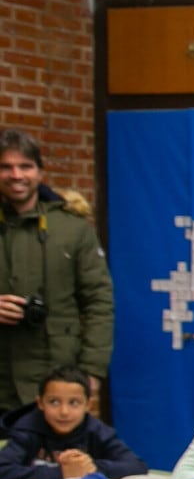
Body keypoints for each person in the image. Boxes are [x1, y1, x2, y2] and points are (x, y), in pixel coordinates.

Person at [0, 129, 113, 409]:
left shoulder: (72, 229)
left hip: (57, 378)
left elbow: (99, 302)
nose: (16, 175)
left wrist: (92, 369)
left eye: (25, 166)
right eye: (6, 167)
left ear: (40, 172)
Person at [0, 364, 146, 479]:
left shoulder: (97, 431)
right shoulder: (26, 430)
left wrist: (91, 468)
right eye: (54, 402)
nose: (64, 412)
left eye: (74, 403)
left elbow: (136, 466)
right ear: (40, 403)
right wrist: (62, 472)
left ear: (88, 405)